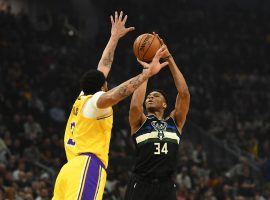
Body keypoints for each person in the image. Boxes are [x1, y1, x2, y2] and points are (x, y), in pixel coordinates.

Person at [52, 11, 169, 200]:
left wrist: (114, 37)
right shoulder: (97, 102)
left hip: (68, 169)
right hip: (87, 165)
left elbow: (103, 66)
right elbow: (117, 94)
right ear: (102, 87)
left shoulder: (83, 97)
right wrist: (147, 74)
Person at [124, 35, 190, 200]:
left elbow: (184, 94)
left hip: (166, 186)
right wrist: (146, 72)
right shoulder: (140, 122)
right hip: (141, 183)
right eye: (148, 96)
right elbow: (134, 106)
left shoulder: (175, 122)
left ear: (165, 105)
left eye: (155, 96)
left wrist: (169, 58)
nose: (150, 97)